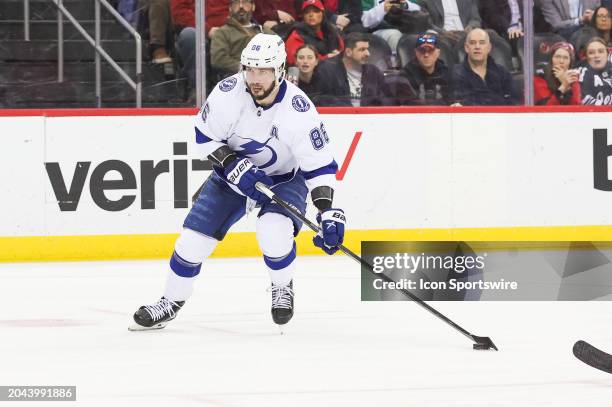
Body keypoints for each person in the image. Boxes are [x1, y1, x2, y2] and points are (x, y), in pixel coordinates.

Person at [129, 33, 345, 331]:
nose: (255, 78)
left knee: (273, 231)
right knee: (191, 244)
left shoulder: (299, 110)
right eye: (250, 69)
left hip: (283, 180)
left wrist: (327, 212)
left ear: (280, 70)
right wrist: (231, 164)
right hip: (230, 178)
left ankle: (282, 286)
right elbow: (204, 136)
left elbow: (319, 166)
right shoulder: (228, 93)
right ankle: (170, 301)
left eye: (264, 70)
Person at [312, 32, 388, 106]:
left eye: (367, 49)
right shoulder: (327, 70)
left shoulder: (374, 72)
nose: (368, 53)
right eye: (362, 49)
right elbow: (320, 101)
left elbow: (384, 100)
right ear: (348, 52)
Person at [451, 28, 518, 105]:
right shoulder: (456, 73)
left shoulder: (502, 73)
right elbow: (463, 102)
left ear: (489, 47)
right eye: (473, 43)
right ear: (466, 47)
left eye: (482, 43)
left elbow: (513, 101)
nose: (477, 47)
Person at [210, 0, 262, 78]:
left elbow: (281, 51)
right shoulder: (222, 32)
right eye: (236, 3)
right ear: (230, 8)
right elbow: (218, 60)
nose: (241, 6)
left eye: (245, 2)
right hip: (236, 78)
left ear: (253, 6)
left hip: (266, 76)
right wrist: (246, 68)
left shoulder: (263, 30)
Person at [284, 0, 345, 66]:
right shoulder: (297, 34)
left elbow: (341, 49)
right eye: (307, 12)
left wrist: (337, 55)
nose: (311, 15)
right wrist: (325, 58)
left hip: (332, 67)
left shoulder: (331, 30)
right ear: (303, 16)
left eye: (316, 11)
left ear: (322, 13)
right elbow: (293, 59)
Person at [400, 33, 452, 104]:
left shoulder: (447, 73)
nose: (426, 55)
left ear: (438, 53)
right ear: (416, 52)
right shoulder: (406, 75)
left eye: (430, 50)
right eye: (422, 50)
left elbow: (453, 101)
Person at [578, 37, 612, 104]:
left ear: (607, 54)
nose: (596, 55)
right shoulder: (580, 74)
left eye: (601, 51)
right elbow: (584, 100)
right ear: (586, 57)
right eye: (591, 53)